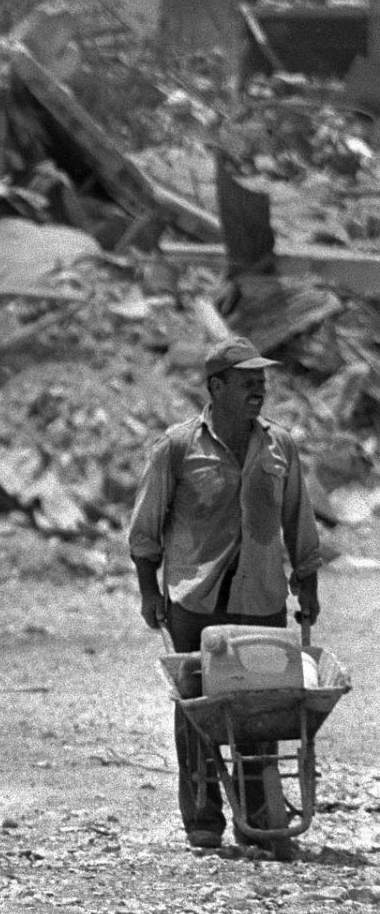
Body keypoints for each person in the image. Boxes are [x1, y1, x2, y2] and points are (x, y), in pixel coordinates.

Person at [128, 335, 322, 854]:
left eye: (262, 380)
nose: (259, 388)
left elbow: (298, 521)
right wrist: (150, 593)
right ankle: (203, 824)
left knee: (263, 710)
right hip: (195, 600)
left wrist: (309, 583)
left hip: (260, 599)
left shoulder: (280, 445)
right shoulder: (176, 447)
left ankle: (260, 818)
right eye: (247, 381)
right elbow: (146, 530)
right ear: (216, 386)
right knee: (198, 714)